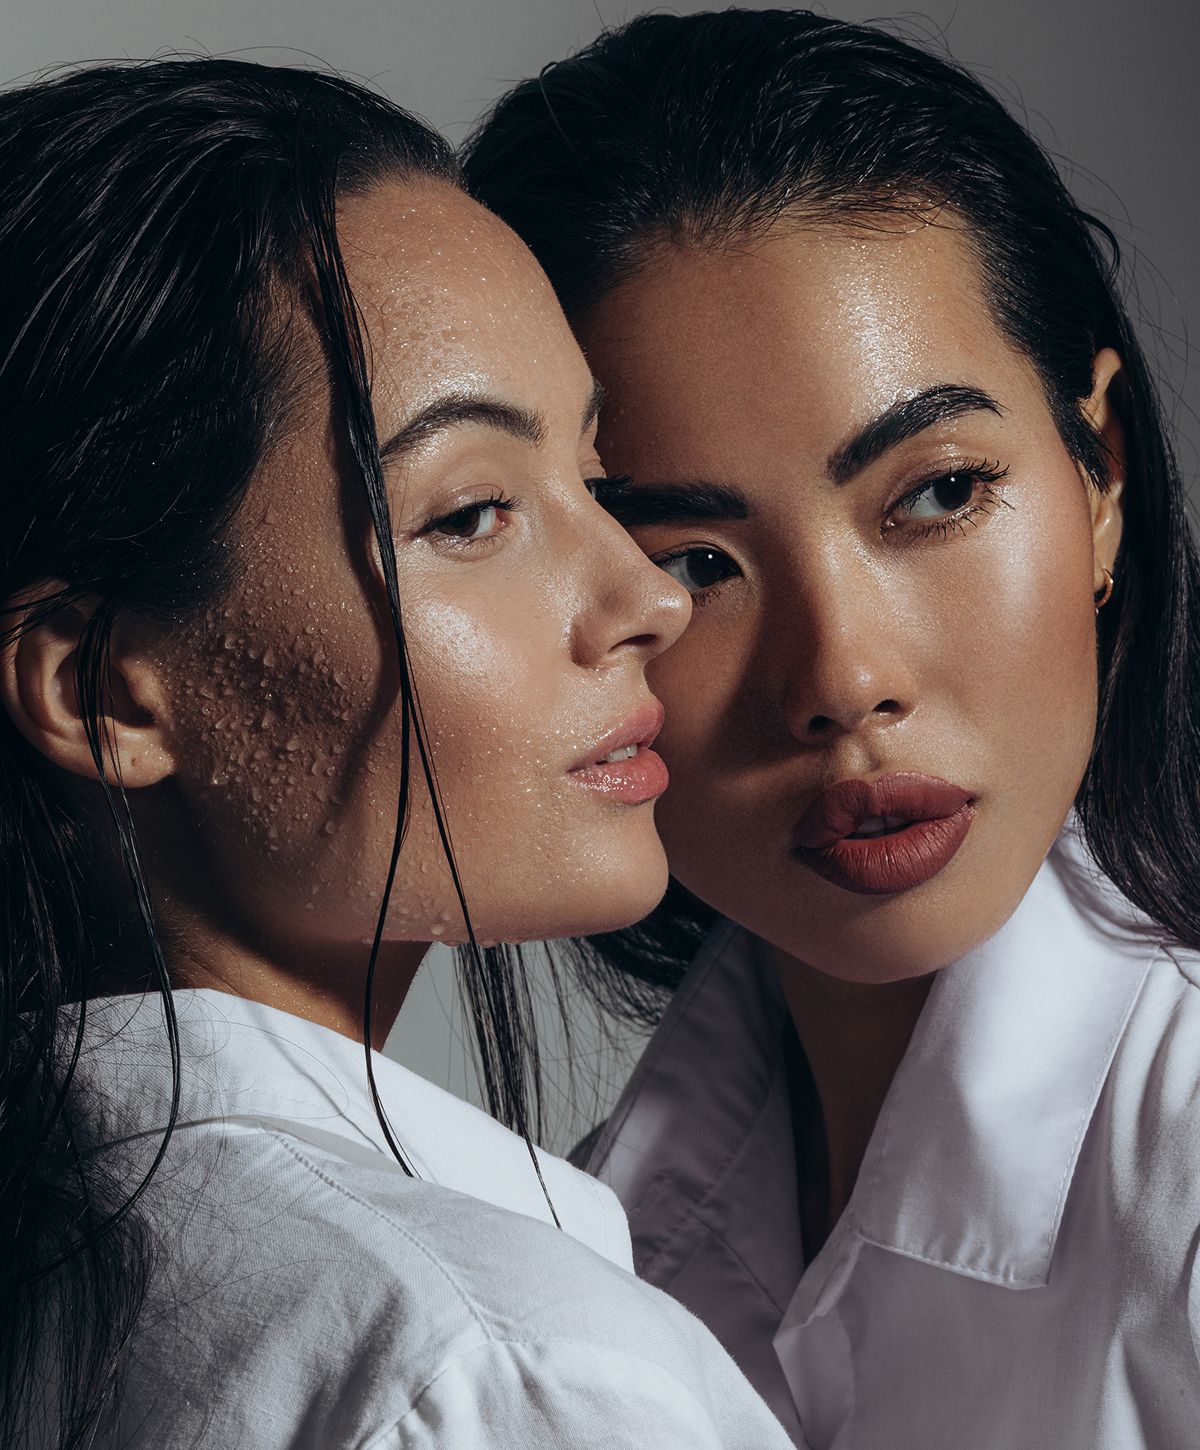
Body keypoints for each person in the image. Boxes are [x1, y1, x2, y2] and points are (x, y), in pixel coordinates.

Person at [0, 57, 801, 1450]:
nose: (648, 596)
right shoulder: (506, 1371)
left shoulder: (81, 1281)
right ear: (97, 688)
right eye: (474, 512)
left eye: (596, 482)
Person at [463, 9, 1200, 1448]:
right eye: (691, 561)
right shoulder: (589, 1234)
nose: (843, 677)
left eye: (935, 495)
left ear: (1098, 473)